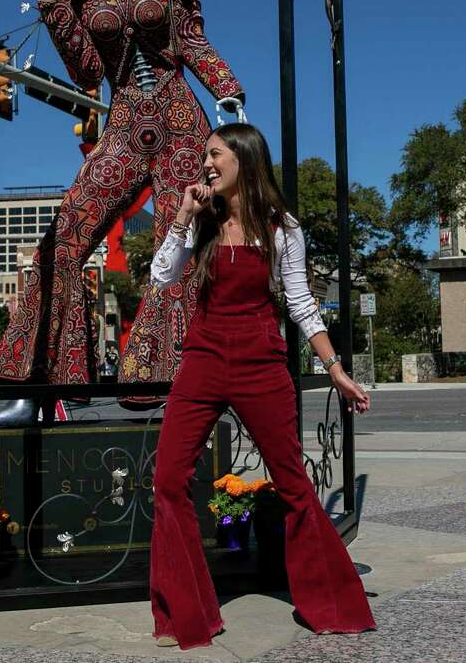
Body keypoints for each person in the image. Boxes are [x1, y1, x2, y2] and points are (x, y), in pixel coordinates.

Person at [0, 0, 246, 425]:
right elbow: (85, 71)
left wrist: (227, 90)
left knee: (180, 244)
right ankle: (46, 385)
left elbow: (192, 39)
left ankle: (169, 381)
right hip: (125, 123)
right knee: (62, 242)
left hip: (180, 119)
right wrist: (57, 3)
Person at [147, 124, 375, 649]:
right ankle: (187, 614)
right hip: (203, 359)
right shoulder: (201, 222)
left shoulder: (281, 228)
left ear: (244, 161)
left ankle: (332, 604)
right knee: (168, 479)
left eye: (215, 154)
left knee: (293, 483)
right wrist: (183, 216)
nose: (206, 163)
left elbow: (299, 303)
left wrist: (335, 367)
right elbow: (162, 279)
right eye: (205, 155)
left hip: (261, 362)